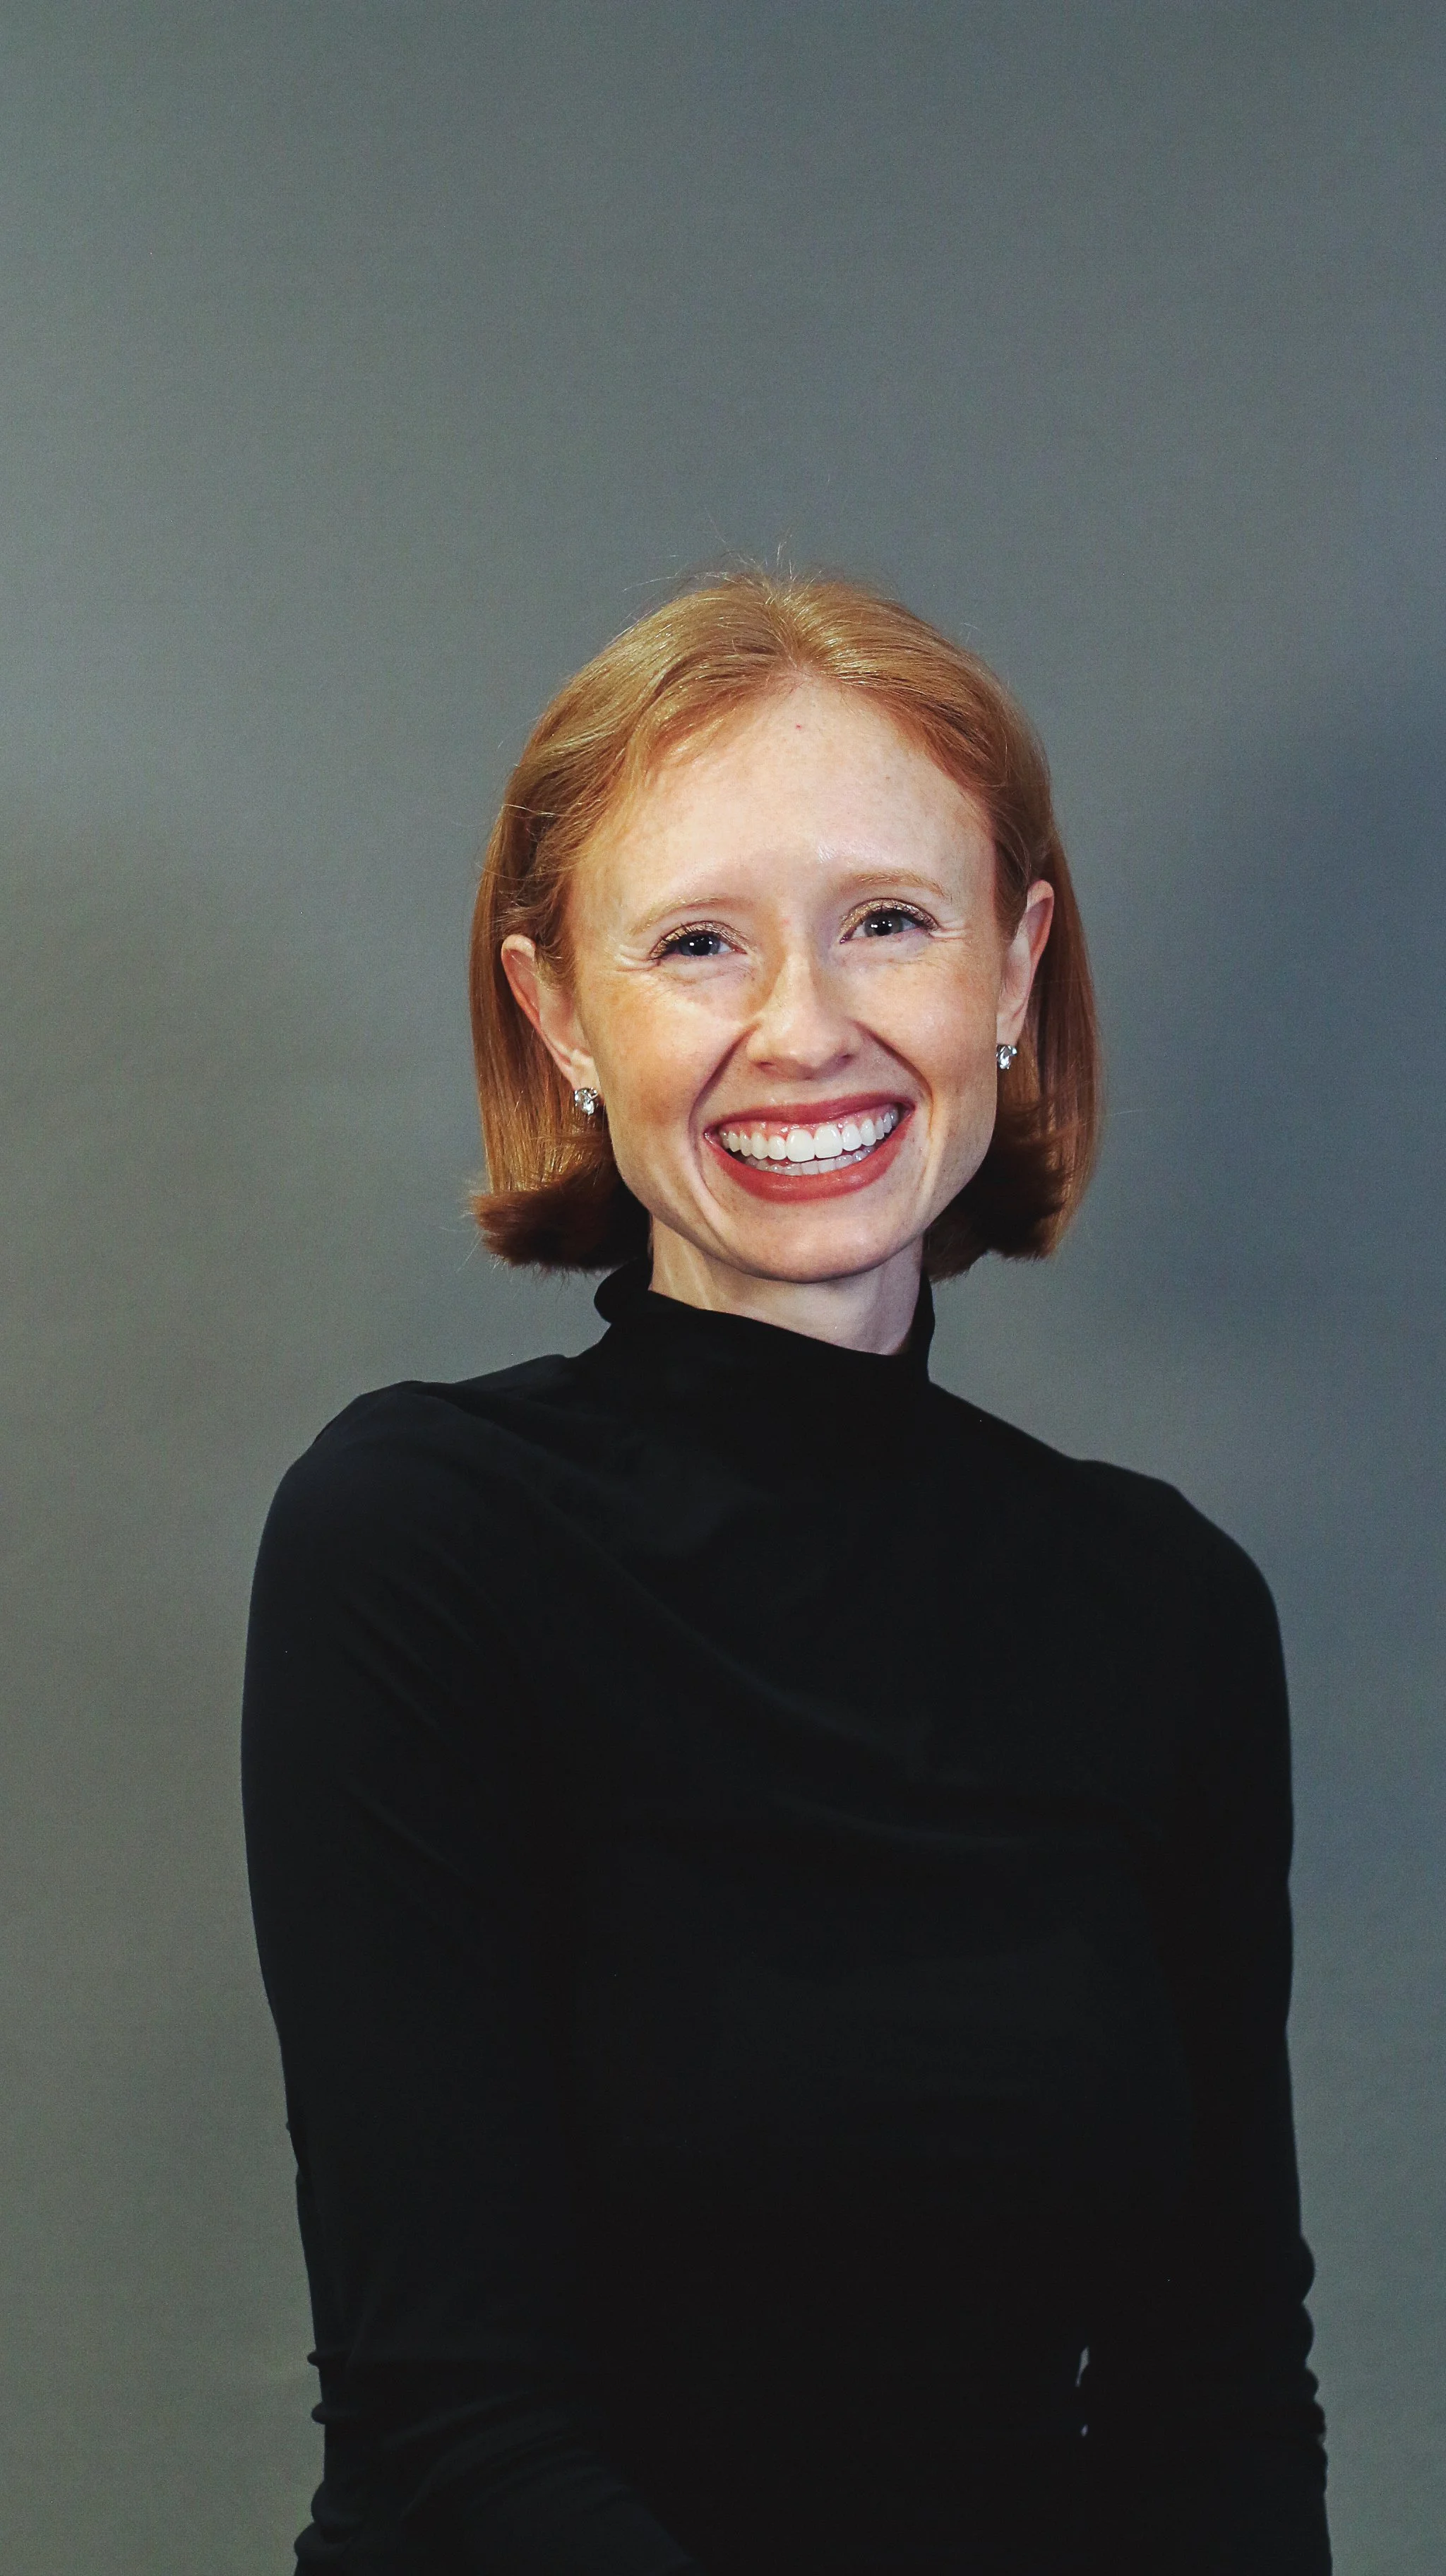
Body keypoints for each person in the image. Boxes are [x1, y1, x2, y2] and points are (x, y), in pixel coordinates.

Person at [241, 570, 1332, 2575]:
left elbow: (1220, 2385)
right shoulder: (417, 1540)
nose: (801, 1030)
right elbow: (454, 2409)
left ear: (1015, 974)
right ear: (559, 1011)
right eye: (697, 945)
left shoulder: (1165, 1608)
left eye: (889, 924)